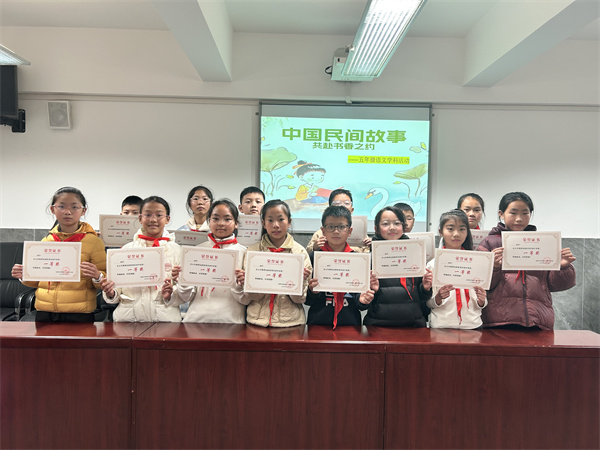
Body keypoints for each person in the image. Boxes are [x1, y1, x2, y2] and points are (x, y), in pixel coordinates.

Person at [477, 192, 576, 330]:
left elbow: (555, 285)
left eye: (525, 213)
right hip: (499, 320)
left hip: (538, 320)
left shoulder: (542, 243)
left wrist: (562, 267)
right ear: (501, 214)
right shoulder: (489, 243)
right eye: (513, 213)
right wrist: (494, 267)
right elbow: (480, 284)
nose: (519, 219)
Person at [11, 186, 106, 322]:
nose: (68, 212)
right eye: (61, 206)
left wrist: (97, 276)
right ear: (52, 209)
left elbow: (104, 280)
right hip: (45, 311)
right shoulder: (46, 241)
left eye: (74, 207)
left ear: (83, 210)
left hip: (79, 313)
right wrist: (24, 275)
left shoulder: (94, 242)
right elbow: (38, 282)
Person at [101, 196, 182, 322]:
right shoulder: (126, 250)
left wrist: (172, 293)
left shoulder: (177, 251)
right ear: (140, 218)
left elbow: (186, 293)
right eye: (147, 215)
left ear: (167, 219)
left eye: (159, 215)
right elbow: (115, 292)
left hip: (166, 321)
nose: (153, 219)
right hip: (128, 321)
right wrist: (111, 292)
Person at [168, 199, 248, 323]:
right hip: (195, 321)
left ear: (236, 223)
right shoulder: (196, 251)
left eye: (227, 219)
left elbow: (246, 300)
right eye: (215, 218)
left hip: (232, 322)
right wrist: (182, 282)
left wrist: (239, 284)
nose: (221, 223)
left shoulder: (245, 253)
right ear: (208, 222)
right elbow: (185, 297)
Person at [237, 199, 312, 327]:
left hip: (291, 322)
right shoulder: (253, 252)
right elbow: (252, 297)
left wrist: (299, 282)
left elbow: (300, 299)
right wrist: (247, 283)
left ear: (289, 222)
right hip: (256, 321)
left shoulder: (299, 253)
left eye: (281, 219)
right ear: (263, 223)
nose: (276, 225)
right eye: (270, 220)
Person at [306, 205, 376, 328]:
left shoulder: (359, 260)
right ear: (323, 231)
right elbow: (306, 301)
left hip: (350, 324)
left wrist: (363, 300)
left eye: (341, 227)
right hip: (318, 324)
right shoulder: (313, 258)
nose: (336, 231)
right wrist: (313, 292)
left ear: (350, 231)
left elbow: (360, 302)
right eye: (330, 227)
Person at [362, 206, 433, 327]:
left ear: (404, 227)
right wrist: (372, 290)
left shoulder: (415, 253)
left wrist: (425, 288)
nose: (392, 228)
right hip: (377, 324)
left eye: (397, 223)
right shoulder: (369, 259)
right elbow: (362, 302)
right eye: (385, 224)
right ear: (376, 228)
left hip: (413, 324)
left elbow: (421, 296)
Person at [426, 210, 487, 329]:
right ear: (441, 232)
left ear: (467, 232)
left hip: (473, 325)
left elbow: (482, 302)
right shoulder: (433, 264)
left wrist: (482, 301)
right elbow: (428, 303)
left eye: (462, 229)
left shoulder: (477, 262)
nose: (456, 234)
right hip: (441, 326)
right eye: (450, 229)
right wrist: (438, 297)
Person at [306, 188, 371, 253]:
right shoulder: (319, 234)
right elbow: (307, 255)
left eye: (346, 203)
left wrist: (371, 246)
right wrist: (314, 248)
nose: (342, 206)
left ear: (352, 209)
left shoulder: (362, 236)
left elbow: (367, 255)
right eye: (337, 203)